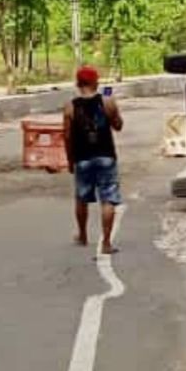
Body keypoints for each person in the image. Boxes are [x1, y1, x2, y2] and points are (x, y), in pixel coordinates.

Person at [63, 66, 123, 255]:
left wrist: (70, 161)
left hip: (83, 159)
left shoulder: (70, 107)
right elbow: (118, 126)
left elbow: (66, 137)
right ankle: (106, 243)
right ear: (96, 82)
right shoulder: (107, 101)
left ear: (78, 84)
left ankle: (82, 235)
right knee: (108, 199)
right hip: (106, 157)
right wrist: (114, 110)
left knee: (82, 198)